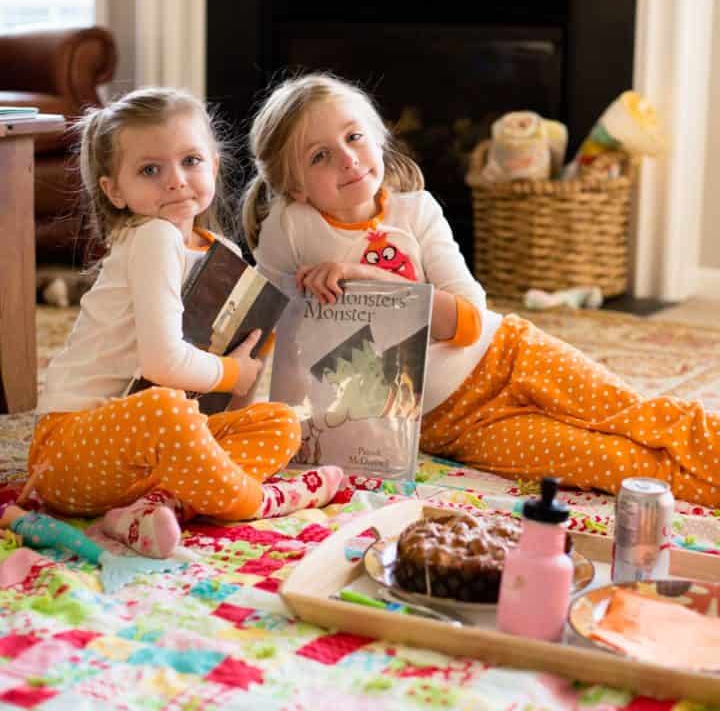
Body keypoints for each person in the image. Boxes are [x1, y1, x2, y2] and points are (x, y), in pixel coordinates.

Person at [243, 72, 720, 508]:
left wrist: (387, 287)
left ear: (379, 139)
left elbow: (470, 320)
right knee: (619, 464)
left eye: (354, 137)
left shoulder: (418, 212)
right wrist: (236, 410)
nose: (347, 159)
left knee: (640, 417)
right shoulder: (290, 228)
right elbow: (258, 322)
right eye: (320, 156)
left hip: (508, 354)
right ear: (294, 187)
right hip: (452, 423)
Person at [26, 87, 343, 559]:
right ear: (115, 190)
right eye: (150, 170)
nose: (175, 181)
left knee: (279, 423)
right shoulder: (153, 238)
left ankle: (154, 508)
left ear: (214, 165)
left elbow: (221, 403)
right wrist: (235, 372)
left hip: (142, 462)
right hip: (68, 450)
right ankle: (255, 501)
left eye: (191, 161)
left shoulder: (222, 254)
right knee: (165, 407)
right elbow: (162, 362)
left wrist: (240, 375)